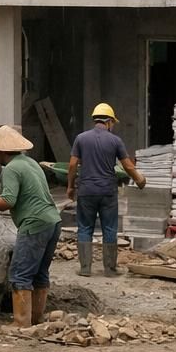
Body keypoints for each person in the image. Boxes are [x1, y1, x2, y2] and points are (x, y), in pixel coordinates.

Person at [0, 125, 62, 327]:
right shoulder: (30, 163)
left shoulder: (10, 169)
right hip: (52, 221)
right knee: (39, 273)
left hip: (34, 224)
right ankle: (36, 320)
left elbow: (9, 200)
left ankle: (21, 324)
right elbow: (24, 194)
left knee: (20, 273)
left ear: (1, 152)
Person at [67, 102, 147, 277]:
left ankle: (85, 268)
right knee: (109, 229)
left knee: (85, 227)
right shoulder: (115, 140)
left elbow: (73, 164)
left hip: (86, 190)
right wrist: (140, 179)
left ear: (95, 120)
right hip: (107, 191)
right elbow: (127, 166)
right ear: (109, 121)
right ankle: (110, 269)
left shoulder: (81, 138)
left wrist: (70, 187)